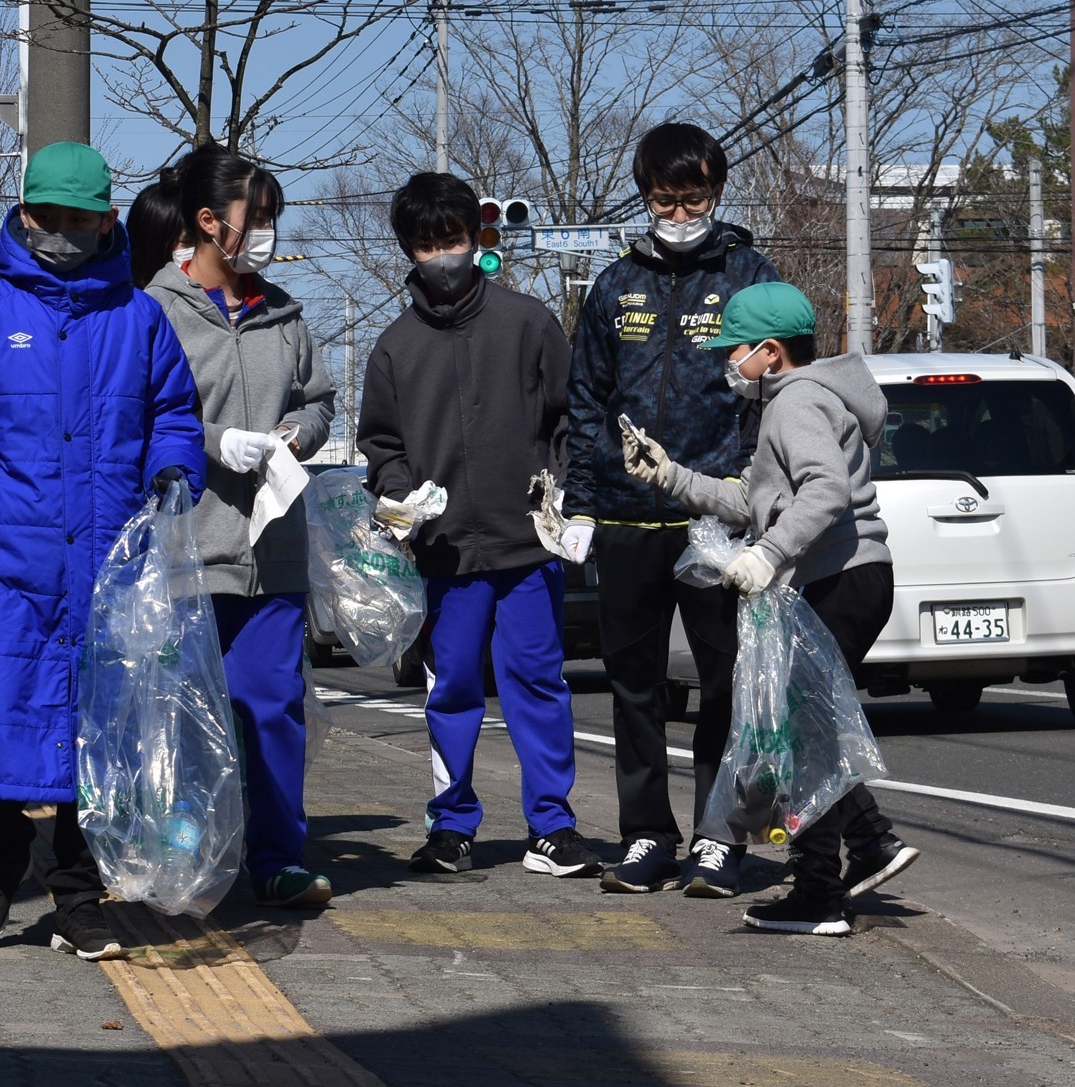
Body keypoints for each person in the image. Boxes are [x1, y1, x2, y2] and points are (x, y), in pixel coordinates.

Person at [0, 142, 205, 960]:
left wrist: (175, 464)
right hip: (4, 569)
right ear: (25, 213)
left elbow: (173, 413)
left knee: (97, 734)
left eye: (84, 219)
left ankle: (77, 894)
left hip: (107, 566)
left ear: (108, 218)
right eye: (53, 218)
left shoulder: (138, 317)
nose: (68, 234)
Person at [621, 281, 919, 933]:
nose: (728, 361)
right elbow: (747, 499)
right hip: (847, 578)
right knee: (807, 723)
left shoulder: (796, 402)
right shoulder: (791, 401)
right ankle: (870, 842)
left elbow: (825, 489)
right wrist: (667, 474)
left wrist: (767, 553)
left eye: (736, 351)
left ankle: (819, 893)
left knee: (798, 731)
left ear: (770, 352)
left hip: (840, 578)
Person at [561, 122, 781, 897]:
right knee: (633, 684)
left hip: (715, 518)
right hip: (626, 519)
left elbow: (772, 397)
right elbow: (584, 397)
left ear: (716, 193)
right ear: (644, 194)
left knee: (724, 683)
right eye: (664, 198)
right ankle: (645, 834)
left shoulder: (750, 278)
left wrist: (759, 499)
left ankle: (719, 836)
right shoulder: (613, 283)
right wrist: (580, 502)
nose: (678, 212)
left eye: (692, 198)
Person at [356, 171, 595, 879]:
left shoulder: (528, 322)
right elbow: (381, 445)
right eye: (427, 244)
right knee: (450, 687)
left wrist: (563, 493)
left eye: (453, 239)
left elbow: (570, 420)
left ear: (476, 238)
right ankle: (451, 825)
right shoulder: (393, 347)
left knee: (537, 682)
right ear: (408, 249)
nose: (444, 255)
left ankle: (551, 824)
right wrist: (400, 498)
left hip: (526, 544)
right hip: (444, 552)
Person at [135, 143, 337, 907]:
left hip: (272, 549)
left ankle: (277, 857)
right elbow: (143, 414)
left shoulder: (283, 314)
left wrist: (298, 434)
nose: (267, 234)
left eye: (272, 219)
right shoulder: (153, 310)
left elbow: (319, 400)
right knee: (184, 717)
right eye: (258, 218)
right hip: (189, 545)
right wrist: (216, 441)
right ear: (209, 221)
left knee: (271, 709)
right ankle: (184, 855)